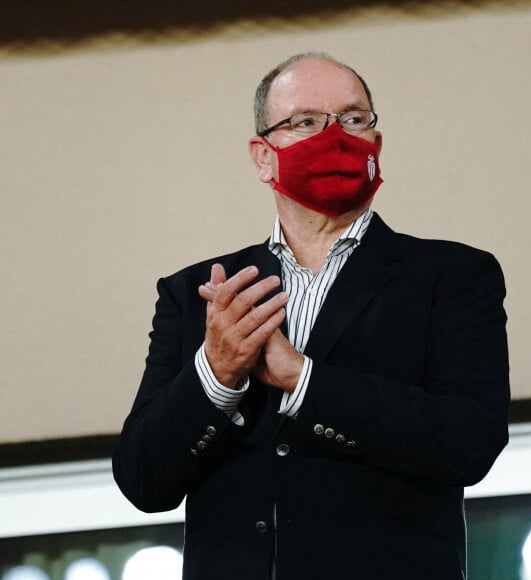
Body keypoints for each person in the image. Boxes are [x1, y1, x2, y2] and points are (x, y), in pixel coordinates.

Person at [113, 52, 510, 580]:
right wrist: (216, 372)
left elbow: (469, 443)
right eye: (305, 122)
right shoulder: (198, 294)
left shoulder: (453, 276)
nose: (336, 137)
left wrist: (300, 378)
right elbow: (143, 481)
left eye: (353, 119)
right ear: (263, 157)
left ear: (377, 144)